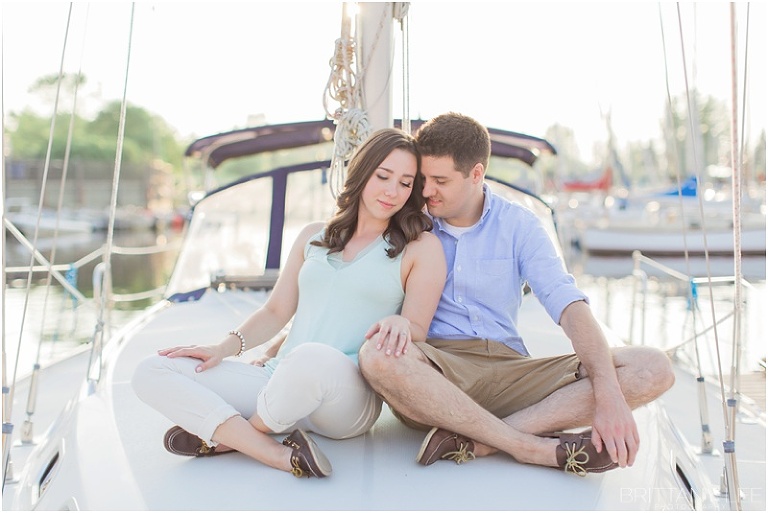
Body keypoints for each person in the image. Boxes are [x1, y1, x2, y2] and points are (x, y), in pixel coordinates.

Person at [358, 113, 675, 476]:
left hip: (512, 372)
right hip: (438, 375)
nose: (427, 191)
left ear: (476, 175)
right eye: (424, 179)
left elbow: (568, 305)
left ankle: (480, 442)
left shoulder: (519, 225)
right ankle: (527, 446)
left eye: (440, 180)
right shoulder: (410, 221)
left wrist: (610, 397)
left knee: (653, 368)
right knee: (378, 356)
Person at [132, 128, 446, 478]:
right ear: (361, 173)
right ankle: (276, 454)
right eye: (383, 176)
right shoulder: (313, 237)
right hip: (278, 382)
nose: (393, 191)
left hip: (346, 396)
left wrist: (402, 323)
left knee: (310, 356)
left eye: (405, 183)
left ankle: (225, 440)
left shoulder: (421, 247)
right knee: (151, 369)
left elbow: (417, 328)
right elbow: (276, 311)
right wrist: (221, 349)